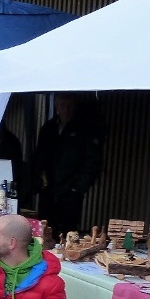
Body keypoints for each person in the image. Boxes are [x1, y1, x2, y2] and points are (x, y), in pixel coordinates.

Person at [35, 93, 106, 239]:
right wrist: (39, 181)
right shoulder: (48, 128)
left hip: (70, 192)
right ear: (56, 106)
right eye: (62, 105)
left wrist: (77, 188)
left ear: (74, 106)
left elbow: (93, 162)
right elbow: (38, 157)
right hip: (48, 190)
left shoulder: (84, 129)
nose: (66, 109)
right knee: (45, 230)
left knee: (68, 233)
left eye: (69, 105)